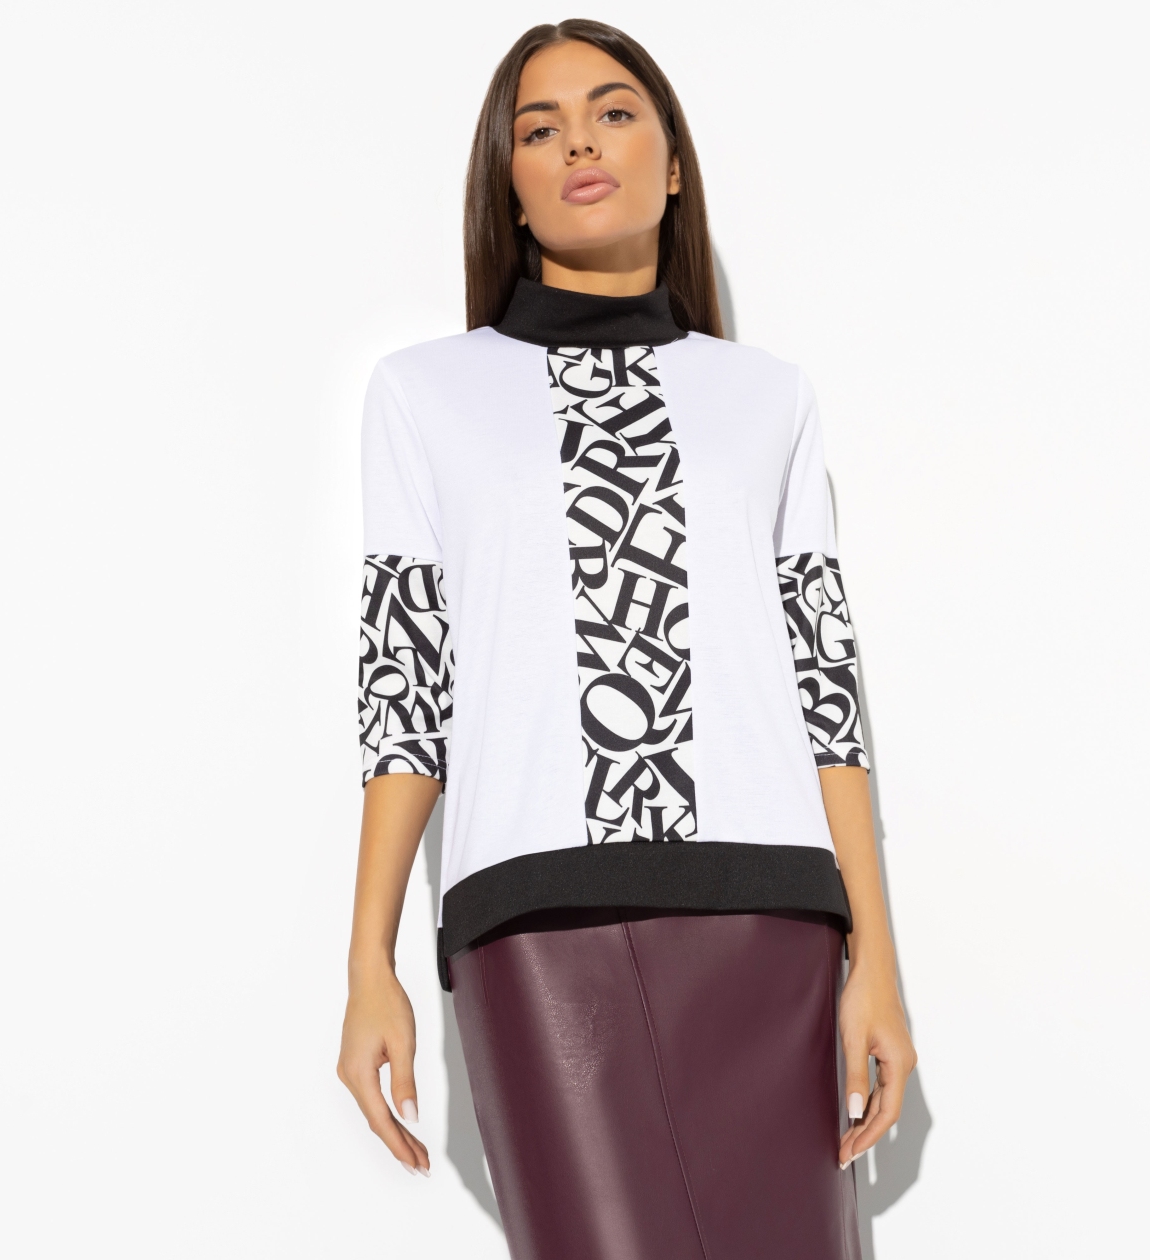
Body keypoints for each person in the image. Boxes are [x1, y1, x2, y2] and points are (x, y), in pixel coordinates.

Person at [338, 19, 916, 1260]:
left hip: (769, 917)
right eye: (539, 129)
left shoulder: (769, 398)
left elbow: (824, 689)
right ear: (510, 187)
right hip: (537, 921)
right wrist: (368, 960)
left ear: (673, 164)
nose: (578, 143)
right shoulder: (423, 396)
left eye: (612, 112)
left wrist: (875, 959)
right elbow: (405, 682)